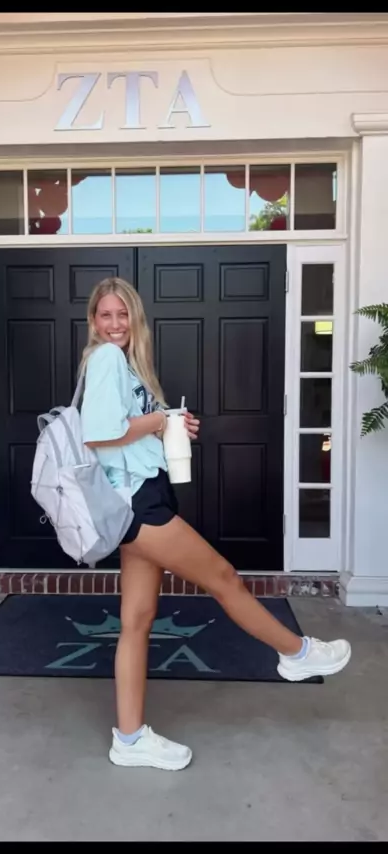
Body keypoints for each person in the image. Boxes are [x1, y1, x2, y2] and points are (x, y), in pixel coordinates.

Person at [80, 277, 351, 772]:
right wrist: (159, 423)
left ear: (134, 318)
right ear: (94, 322)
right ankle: (296, 654)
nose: (115, 323)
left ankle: (130, 739)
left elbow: (125, 429)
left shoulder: (126, 364)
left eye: (122, 314)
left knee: (137, 621)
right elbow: (98, 432)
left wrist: (168, 422)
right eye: (106, 315)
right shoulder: (106, 360)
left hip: (135, 499)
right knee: (223, 576)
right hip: (137, 503)